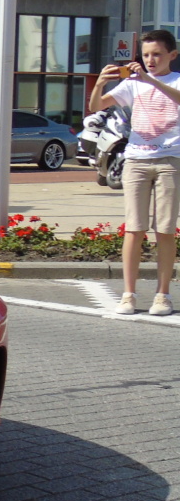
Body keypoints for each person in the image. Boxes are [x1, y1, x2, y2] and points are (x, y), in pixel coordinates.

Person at [89, 28, 180, 316]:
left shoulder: (175, 80)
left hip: (171, 160)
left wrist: (150, 79)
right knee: (134, 228)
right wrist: (99, 84)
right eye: (146, 55)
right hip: (137, 161)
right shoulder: (132, 85)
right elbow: (95, 107)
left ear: (172, 55)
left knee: (164, 229)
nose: (150, 60)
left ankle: (162, 295)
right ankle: (128, 294)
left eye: (157, 55)